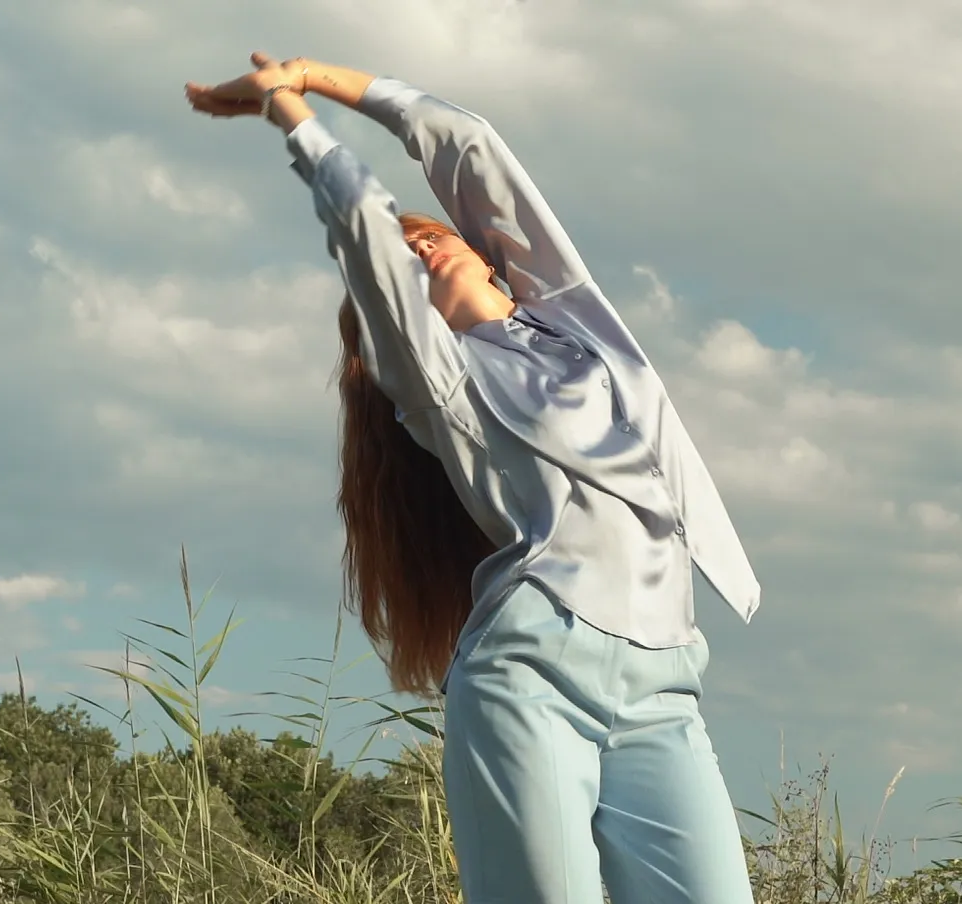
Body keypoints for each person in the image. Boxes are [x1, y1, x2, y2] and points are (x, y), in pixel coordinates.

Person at [186, 51, 762, 904]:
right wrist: (293, 123)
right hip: (532, 675)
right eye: (410, 257)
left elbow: (474, 147)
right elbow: (368, 238)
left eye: (435, 236)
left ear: (490, 259)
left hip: (666, 691)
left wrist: (327, 80)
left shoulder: (582, 328)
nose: (422, 250)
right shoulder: (443, 385)